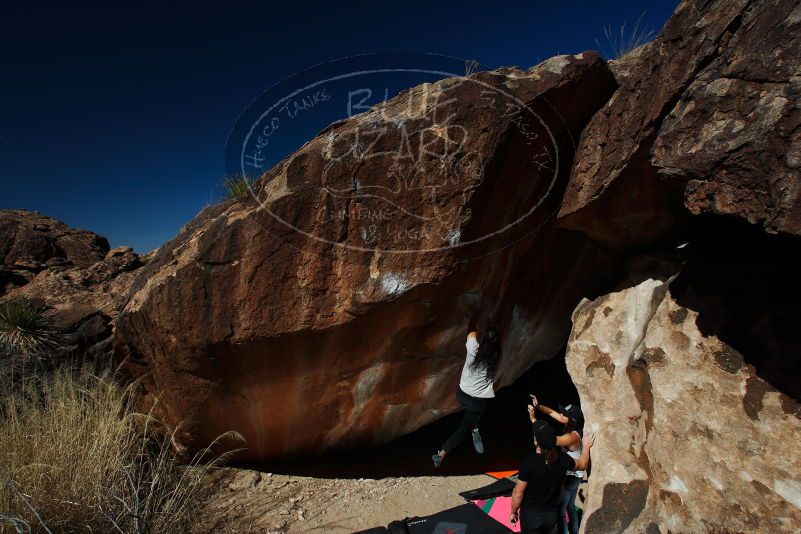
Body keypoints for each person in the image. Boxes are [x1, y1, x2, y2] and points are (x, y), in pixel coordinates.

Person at [432, 326, 502, 467]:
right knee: (464, 429)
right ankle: (442, 454)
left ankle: (473, 426)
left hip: (462, 394)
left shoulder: (473, 349)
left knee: (469, 418)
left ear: (483, 341)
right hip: (478, 402)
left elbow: (471, 332)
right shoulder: (496, 357)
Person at [509, 420, 594, 534]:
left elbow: (517, 493)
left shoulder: (528, 463)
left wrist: (514, 512)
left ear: (536, 442)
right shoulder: (563, 459)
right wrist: (586, 446)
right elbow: (582, 465)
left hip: (531, 516)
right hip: (551, 516)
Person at [529, 397, 586, 534]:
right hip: (576, 476)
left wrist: (533, 419)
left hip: (570, 477)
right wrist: (538, 406)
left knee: (560, 511)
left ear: (571, 420)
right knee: (570, 507)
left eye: (564, 415)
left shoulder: (571, 437)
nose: (560, 415)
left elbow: (548, 439)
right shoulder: (571, 425)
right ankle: (574, 531)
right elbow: (551, 413)